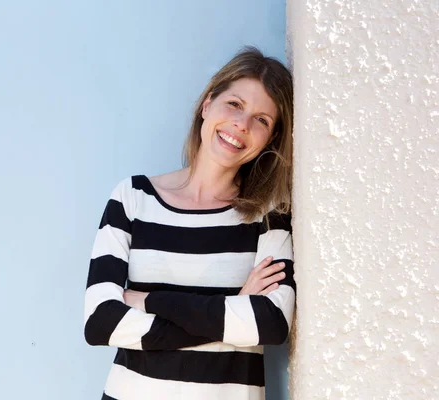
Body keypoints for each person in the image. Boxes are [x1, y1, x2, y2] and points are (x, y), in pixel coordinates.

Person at [84, 46, 294, 400]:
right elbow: (101, 322)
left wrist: (149, 300)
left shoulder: (269, 214)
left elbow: (270, 324)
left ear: (269, 140)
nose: (241, 125)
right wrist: (232, 307)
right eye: (234, 104)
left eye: (261, 120)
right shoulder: (133, 198)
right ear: (207, 104)